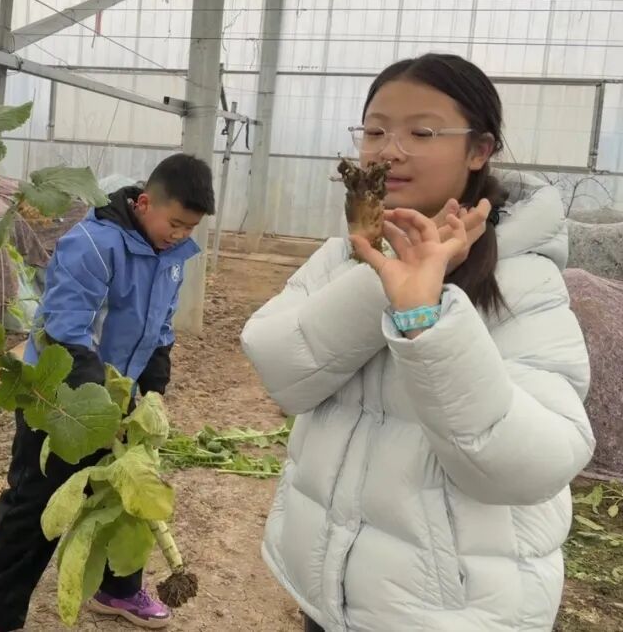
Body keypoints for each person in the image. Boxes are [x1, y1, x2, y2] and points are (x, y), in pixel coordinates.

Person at [241, 53, 595, 632]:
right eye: (375, 131)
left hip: (451, 613)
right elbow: (282, 371)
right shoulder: (339, 258)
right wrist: (384, 282)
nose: (389, 150)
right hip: (327, 597)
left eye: (422, 133)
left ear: (479, 150)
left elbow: (534, 467)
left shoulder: (524, 282)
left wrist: (424, 320)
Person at [0, 154, 216, 632]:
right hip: (59, 398)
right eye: (175, 224)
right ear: (144, 203)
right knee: (34, 506)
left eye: (191, 228)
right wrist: (102, 408)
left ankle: (117, 592)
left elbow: (160, 329)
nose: (181, 235)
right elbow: (66, 332)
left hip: (120, 397)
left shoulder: (172, 257)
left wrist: (151, 395)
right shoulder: (92, 245)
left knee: (125, 498)